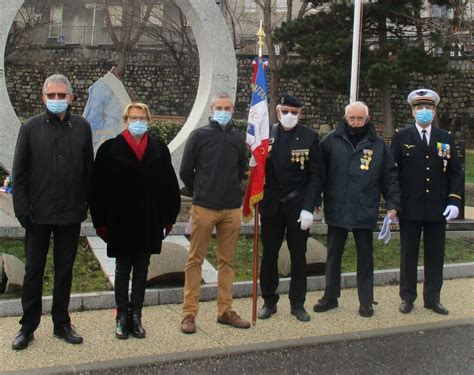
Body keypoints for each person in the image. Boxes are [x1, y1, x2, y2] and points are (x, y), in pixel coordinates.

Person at [11, 74, 94, 350]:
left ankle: (62, 323)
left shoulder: (82, 127)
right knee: (34, 271)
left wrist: (86, 204)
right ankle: (27, 326)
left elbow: (88, 170)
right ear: (43, 97)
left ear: (71, 97)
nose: (57, 100)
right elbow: (19, 174)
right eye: (52, 95)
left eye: (62, 95)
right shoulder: (31, 128)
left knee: (64, 271)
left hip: (70, 214)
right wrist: (23, 211)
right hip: (38, 215)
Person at [90, 102, 180, 339]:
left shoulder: (159, 149)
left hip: (149, 221)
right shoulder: (109, 150)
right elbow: (97, 190)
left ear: (149, 121)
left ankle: (137, 314)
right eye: (133, 118)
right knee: (122, 269)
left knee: (142, 270)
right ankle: (121, 314)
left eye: (142, 118)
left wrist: (168, 218)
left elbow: (169, 187)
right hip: (121, 221)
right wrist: (100, 222)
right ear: (125, 120)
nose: (138, 122)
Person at [313, 101, 400, 318]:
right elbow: (318, 173)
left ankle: (366, 300)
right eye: (352, 118)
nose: (355, 122)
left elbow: (389, 177)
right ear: (345, 118)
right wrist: (315, 197)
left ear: (367, 119)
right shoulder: (330, 140)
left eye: (360, 118)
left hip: (364, 208)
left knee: (365, 257)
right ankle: (330, 297)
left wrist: (393, 205)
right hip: (337, 207)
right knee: (333, 256)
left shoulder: (378, 145)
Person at [179, 92, 249, 334]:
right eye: (219, 107)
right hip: (204, 207)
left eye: (227, 107)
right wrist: (202, 189)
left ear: (232, 109)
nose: (223, 110)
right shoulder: (199, 135)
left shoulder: (238, 138)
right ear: (211, 109)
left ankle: (225, 311)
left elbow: (241, 169)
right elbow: (186, 170)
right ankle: (189, 314)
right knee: (195, 260)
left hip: (231, 208)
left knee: (227, 262)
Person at [391, 89, 463, 315]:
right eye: (419, 108)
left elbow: (455, 172)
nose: (424, 112)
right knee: (408, 254)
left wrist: (454, 201)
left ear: (435, 111)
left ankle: (433, 298)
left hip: (437, 207)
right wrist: (394, 202)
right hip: (410, 206)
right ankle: (407, 297)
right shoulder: (401, 136)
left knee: (435, 255)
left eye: (429, 108)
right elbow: (391, 171)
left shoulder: (445, 137)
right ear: (412, 112)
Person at [258, 94, 322, 322]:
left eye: (294, 112)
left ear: (300, 114)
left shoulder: (310, 136)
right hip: (271, 205)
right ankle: (268, 300)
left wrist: (309, 206)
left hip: (298, 207)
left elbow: (316, 175)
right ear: (277, 111)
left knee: (298, 256)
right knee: (268, 255)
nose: (289, 116)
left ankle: (297, 303)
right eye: (285, 111)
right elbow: (257, 172)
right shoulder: (266, 134)